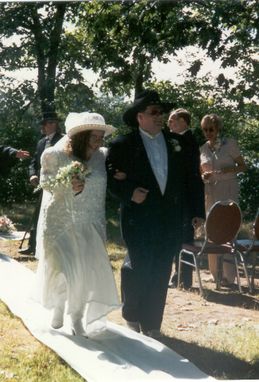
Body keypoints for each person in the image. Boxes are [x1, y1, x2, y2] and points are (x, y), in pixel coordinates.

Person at [106, 90, 204, 338]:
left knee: (161, 269)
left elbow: (193, 179)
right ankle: (131, 314)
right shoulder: (122, 145)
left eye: (161, 112)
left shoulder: (178, 143)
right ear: (140, 117)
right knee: (138, 266)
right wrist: (129, 192)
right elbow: (108, 179)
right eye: (154, 112)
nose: (160, 117)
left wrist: (196, 212)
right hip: (138, 218)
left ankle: (152, 324)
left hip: (171, 218)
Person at [34, 111, 120, 336]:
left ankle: (77, 316)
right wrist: (68, 187)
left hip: (91, 222)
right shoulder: (54, 154)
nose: (99, 142)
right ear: (81, 136)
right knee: (64, 268)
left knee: (86, 272)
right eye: (94, 137)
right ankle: (59, 305)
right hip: (61, 220)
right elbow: (46, 183)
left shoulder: (103, 155)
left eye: (101, 137)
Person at [200, 113, 247, 286]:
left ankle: (229, 276)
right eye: (204, 130)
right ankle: (215, 275)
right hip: (210, 192)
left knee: (228, 230)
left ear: (218, 128)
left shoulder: (230, 144)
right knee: (211, 231)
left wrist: (229, 170)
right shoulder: (203, 149)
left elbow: (243, 166)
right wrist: (204, 175)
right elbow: (202, 172)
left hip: (228, 191)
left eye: (211, 129)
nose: (208, 133)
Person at [167, 108, 204, 289]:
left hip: (186, 200)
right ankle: (179, 277)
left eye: (173, 119)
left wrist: (198, 211)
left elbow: (194, 178)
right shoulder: (171, 139)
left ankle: (184, 278)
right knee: (175, 237)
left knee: (184, 238)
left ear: (184, 122)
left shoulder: (188, 141)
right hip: (175, 200)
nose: (169, 123)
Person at [19, 112, 63, 256]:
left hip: (58, 183)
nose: (52, 125)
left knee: (54, 214)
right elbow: (34, 162)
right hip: (41, 183)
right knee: (39, 213)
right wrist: (32, 174)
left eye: (54, 122)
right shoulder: (41, 142)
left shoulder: (63, 140)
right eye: (49, 123)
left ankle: (53, 247)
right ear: (44, 126)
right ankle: (33, 246)